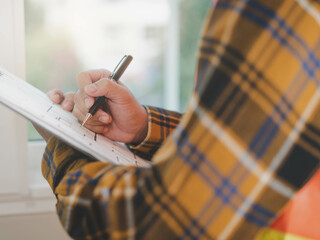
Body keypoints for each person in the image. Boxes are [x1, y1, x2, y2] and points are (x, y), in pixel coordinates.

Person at [35, 1, 320, 239]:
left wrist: (65, 146)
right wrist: (143, 128)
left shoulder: (277, 10)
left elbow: (157, 225)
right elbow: (260, 138)